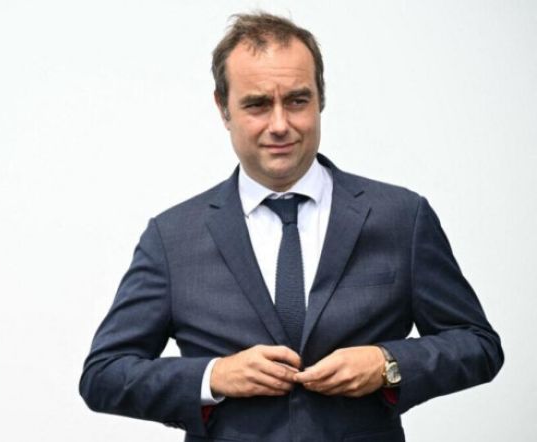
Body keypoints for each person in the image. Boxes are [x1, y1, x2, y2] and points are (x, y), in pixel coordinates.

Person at [79, 12, 503, 442]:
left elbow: (477, 345)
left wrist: (387, 364)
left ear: (321, 99)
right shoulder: (172, 238)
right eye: (258, 104)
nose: (280, 125)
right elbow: (103, 375)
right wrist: (214, 375)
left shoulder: (401, 217)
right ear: (223, 108)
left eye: (297, 101)